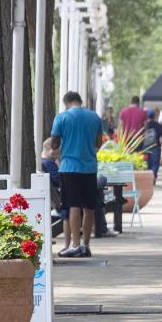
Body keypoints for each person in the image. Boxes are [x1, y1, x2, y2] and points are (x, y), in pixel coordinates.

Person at [50, 91, 104, 259]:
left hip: (69, 167)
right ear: (80, 101)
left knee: (73, 205)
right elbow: (98, 142)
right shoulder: (94, 117)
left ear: (66, 103)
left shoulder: (62, 117)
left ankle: (75, 245)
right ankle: (86, 245)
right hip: (89, 167)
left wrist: (64, 145)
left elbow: (54, 144)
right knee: (89, 207)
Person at [41, 137, 69, 251]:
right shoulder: (49, 163)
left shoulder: (44, 162)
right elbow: (59, 181)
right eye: (58, 150)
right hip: (59, 201)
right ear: (51, 150)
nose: (60, 153)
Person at [142, 108, 162, 180]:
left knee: (146, 162)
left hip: (145, 146)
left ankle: (147, 178)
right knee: (155, 162)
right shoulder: (157, 124)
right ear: (153, 116)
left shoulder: (143, 125)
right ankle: (153, 176)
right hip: (155, 146)